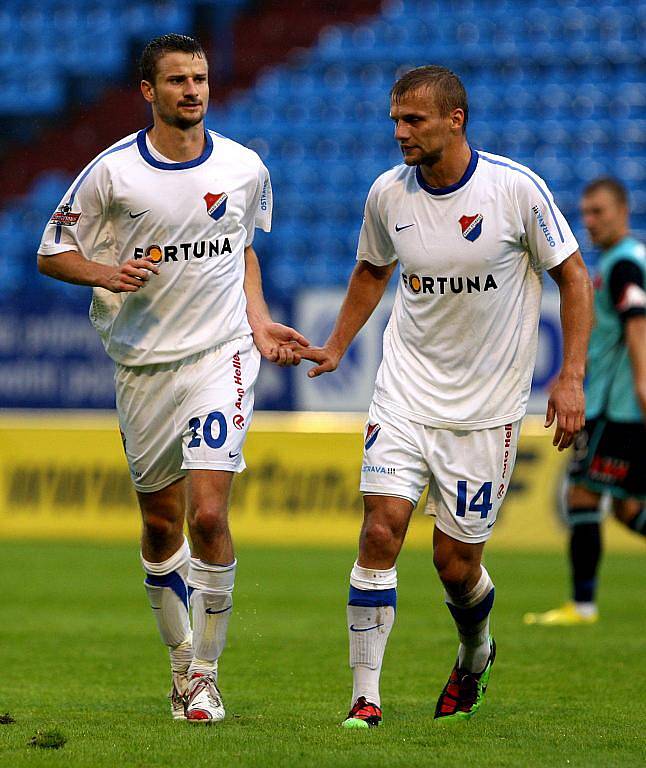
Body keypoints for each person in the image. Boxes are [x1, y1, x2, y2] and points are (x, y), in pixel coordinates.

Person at [295, 65, 593, 727]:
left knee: (454, 565)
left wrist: (570, 377)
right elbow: (372, 269)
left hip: (486, 413)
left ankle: (475, 651)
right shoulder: (387, 194)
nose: (399, 132)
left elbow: (575, 278)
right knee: (380, 530)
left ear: (455, 119)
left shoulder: (515, 191)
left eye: (414, 120)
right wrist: (339, 345)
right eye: (396, 119)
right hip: (403, 394)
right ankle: (364, 700)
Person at [37, 34, 308, 723]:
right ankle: (180, 665)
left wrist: (260, 321)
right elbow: (51, 250)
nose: (193, 90)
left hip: (220, 355)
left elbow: (241, 248)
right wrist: (104, 271)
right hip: (142, 366)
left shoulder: (245, 167)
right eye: (178, 80)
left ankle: (209, 676)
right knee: (161, 526)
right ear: (148, 92)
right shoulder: (111, 173)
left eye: (201, 78)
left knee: (209, 513)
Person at [524, 178, 646, 627]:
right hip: (616, 404)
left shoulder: (624, 266)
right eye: (586, 213)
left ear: (622, 210)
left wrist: (643, 389)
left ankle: (583, 605)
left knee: (582, 494)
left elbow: (638, 328)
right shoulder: (627, 260)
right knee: (629, 507)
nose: (589, 222)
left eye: (599, 212)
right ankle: (583, 604)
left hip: (619, 406)